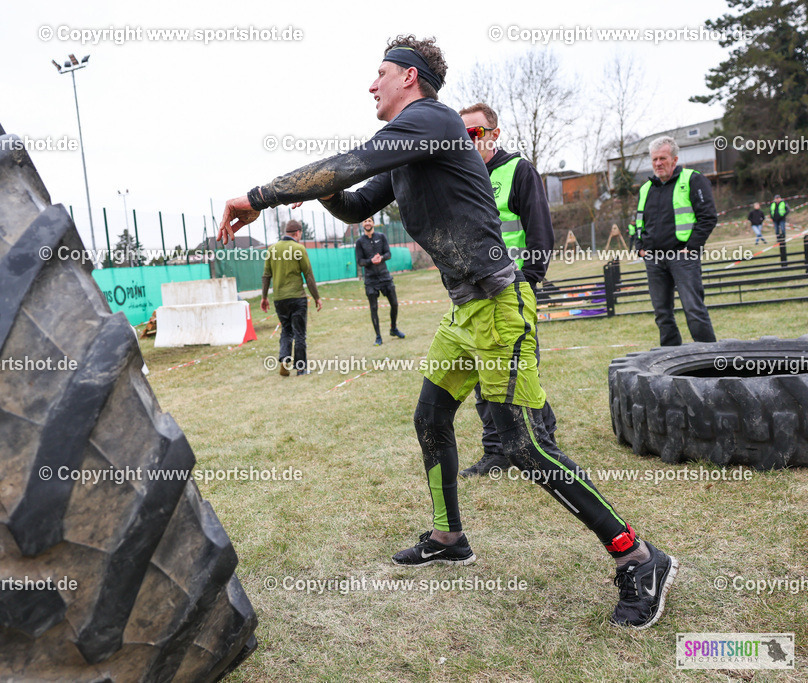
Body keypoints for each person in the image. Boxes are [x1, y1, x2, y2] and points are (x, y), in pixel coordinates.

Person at [218, 34, 678, 628]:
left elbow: (351, 161)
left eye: (379, 72)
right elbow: (355, 202)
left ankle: (640, 557)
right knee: (430, 418)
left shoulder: (432, 119)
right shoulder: (413, 149)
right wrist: (322, 190)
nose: (370, 84)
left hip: (499, 304)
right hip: (466, 313)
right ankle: (449, 536)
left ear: (409, 78)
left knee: (522, 444)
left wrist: (257, 197)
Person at [457, 103, 556, 477]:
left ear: (494, 134)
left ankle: (544, 441)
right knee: (485, 374)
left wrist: (528, 280)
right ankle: (496, 451)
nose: (468, 139)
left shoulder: (519, 170)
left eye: (475, 132)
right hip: (475, 293)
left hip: (513, 289)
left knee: (520, 371)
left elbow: (540, 230)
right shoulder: (460, 175)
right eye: (461, 134)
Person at [634, 136, 717, 346]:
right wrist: (639, 247)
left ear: (674, 159)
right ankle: (670, 359)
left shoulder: (692, 179)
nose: (658, 163)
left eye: (663, 158)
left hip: (683, 257)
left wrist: (691, 248)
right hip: (654, 260)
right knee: (662, 314)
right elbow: (637, 222)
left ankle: (710, 358)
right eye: (654, 159)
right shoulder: (645, 188)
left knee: (694, 310)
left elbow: (708, 217)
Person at [262, 220, 322, 376]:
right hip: (297, 298)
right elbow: (308, 275)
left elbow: (266, 275)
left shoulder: (272, 249)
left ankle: (284, 359)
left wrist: (264, 297)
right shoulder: (299, 248)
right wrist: (317, 297)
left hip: (279, 299)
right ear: (298, 233)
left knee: (286, 331)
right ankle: (301, 368)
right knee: (299, 333)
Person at [355, 216, 404, 345]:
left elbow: (388, 254)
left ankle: (393, 328)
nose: (367, 223)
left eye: (369, 220)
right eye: (365, 221)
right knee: (374, 308)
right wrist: (370, 261)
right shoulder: (360, 242)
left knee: (394, 304)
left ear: (373, 223)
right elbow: (360, 262)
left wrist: (380, 258)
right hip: (371, 280)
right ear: (362, 224)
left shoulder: (381, 237)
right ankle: (378, 336)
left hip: (385, 277)